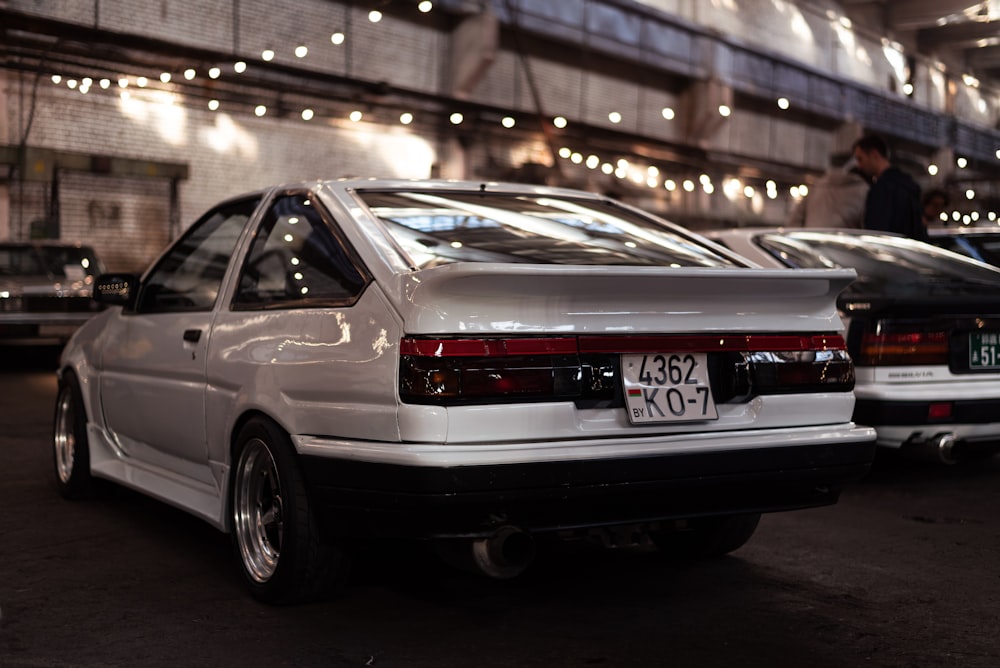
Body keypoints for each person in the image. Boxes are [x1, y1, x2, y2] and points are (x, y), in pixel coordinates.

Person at [852, 133, 925, 240]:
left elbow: (876, 234)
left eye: (860, 159)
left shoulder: (881, 189)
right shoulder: (910, 185)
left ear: (874, 154)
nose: (859, 166)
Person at [786, 158, 870, 228]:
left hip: (811, 242)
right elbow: (866, 225)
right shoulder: (864, 190)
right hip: (842, 244)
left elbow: (794, 221)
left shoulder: (817, 186)